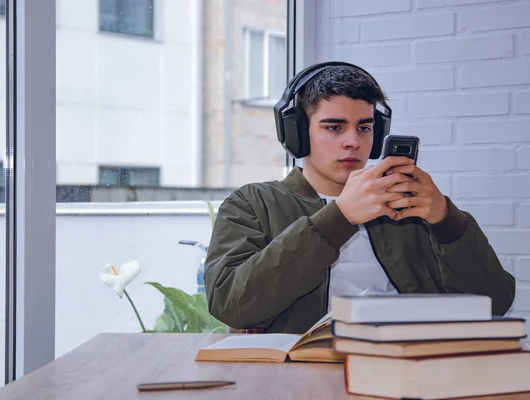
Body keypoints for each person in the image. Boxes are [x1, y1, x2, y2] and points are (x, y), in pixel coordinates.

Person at [203, 61, 516, 334]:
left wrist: (448, 221)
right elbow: (230, 303)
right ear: (297, 132)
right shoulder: (253, 203)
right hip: (305, 370)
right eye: (335, 127)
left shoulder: (411, 205)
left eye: (364, 127)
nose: (353, 141)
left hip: (408, 364)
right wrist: (339, 218)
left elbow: (493, 303)